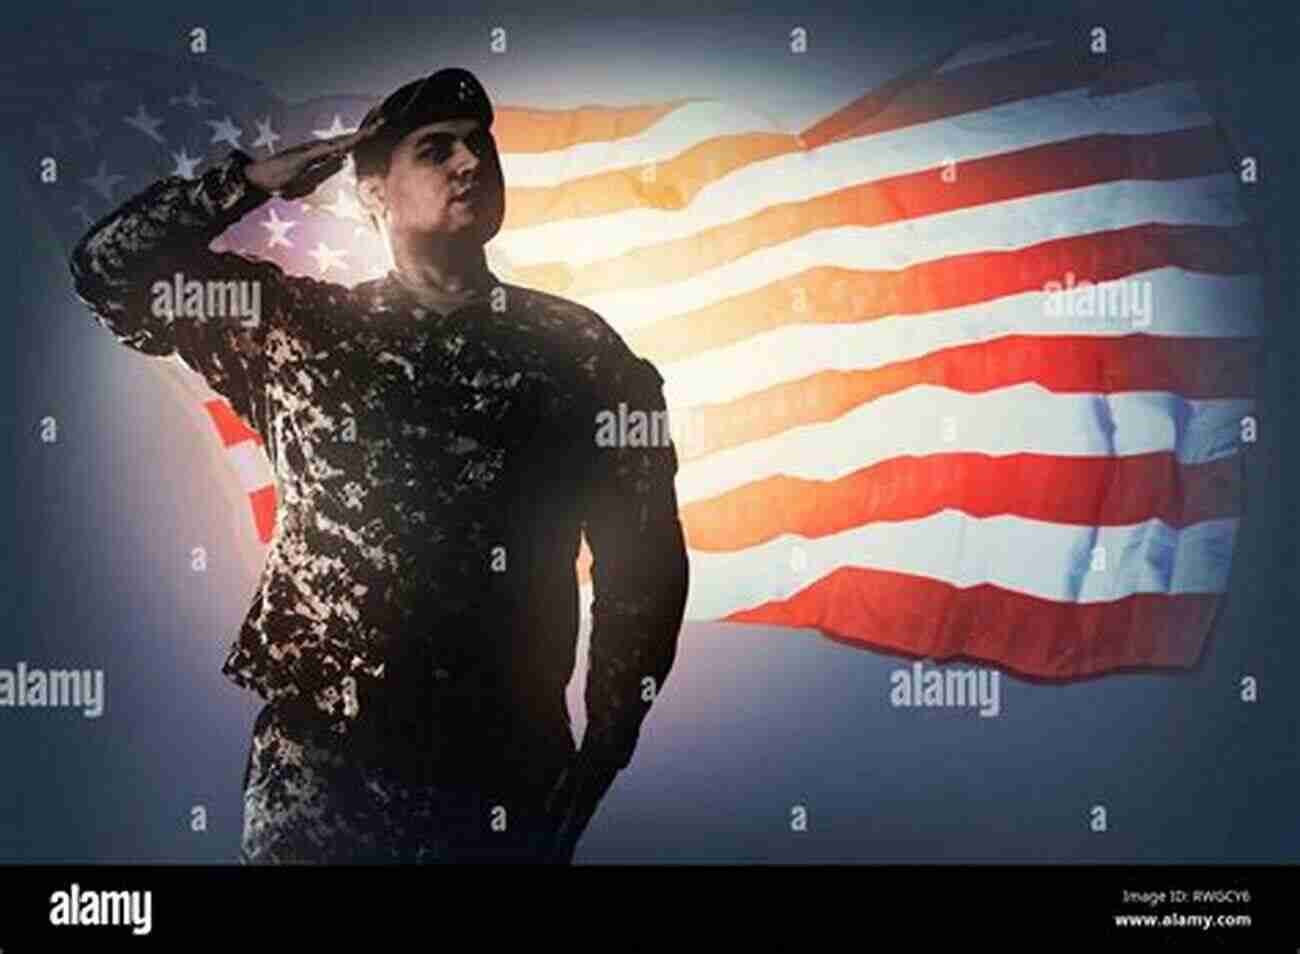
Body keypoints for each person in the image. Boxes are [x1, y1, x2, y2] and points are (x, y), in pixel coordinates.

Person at [68, 67, 690, 863]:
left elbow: (643, 561)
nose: (471, 163)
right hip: (324, 774)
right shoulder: (292, 326)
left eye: (480, 147)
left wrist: (607, 741)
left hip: (502, 769)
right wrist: (248, 181)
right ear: (372, 193)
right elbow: (109, 272)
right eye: (436, 150)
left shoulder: (581, 353)